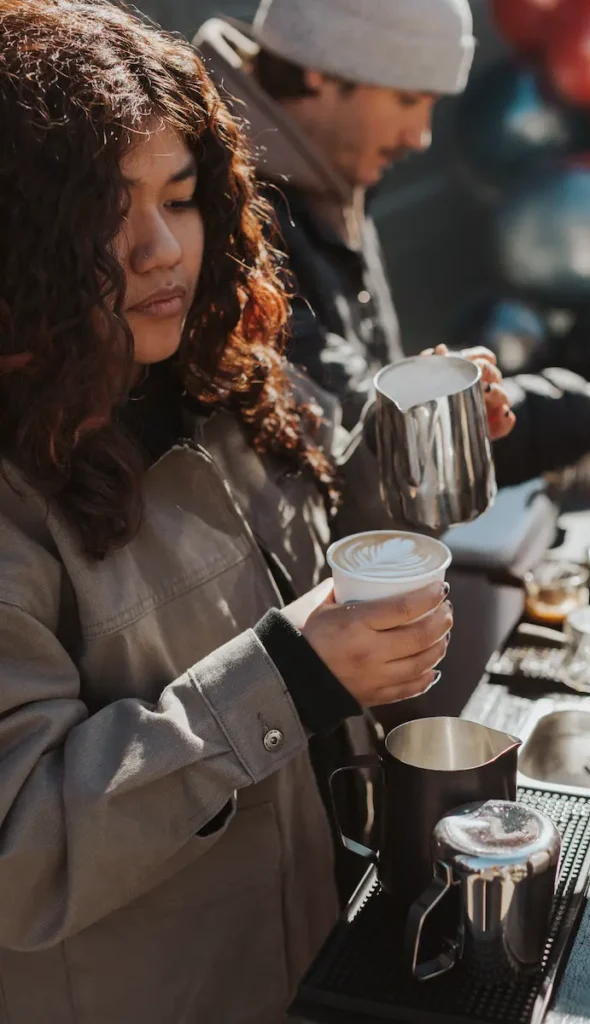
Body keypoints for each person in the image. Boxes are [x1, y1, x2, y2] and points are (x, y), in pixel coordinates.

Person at [0, 2, 496, 1020]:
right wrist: (292, 674)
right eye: (102, 209)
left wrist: (405, 445)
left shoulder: (214, 377)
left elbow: (313, 543)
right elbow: (25, 851)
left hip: (300, 955)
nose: (157, 249)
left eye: (179, 199)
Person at [195, 0, 590, 480]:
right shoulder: (222, 206)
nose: (421, 136)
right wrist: (567, 416)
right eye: (408, 99)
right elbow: (343, 423)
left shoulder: (324, 164)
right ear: (320, 72)